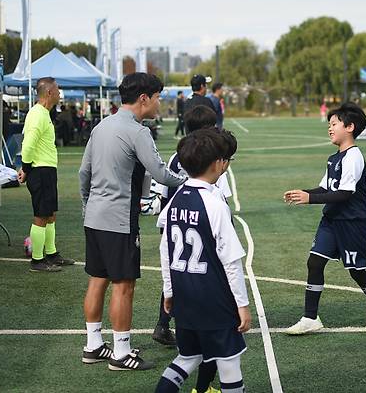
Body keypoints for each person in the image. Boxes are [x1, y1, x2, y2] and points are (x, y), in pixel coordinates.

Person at [79, 72, 187, 371]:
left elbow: (83, 175)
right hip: (119, 220)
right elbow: (162, 174)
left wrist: (88, 208)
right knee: (123, 285)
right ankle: (121, 352)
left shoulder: (101, 126)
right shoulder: (139, 132)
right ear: (144, 98)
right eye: (157, 97)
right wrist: (192, 183)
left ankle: (93, 346)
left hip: (95, 217)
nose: (158, 102)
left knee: (97, 279)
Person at [155, 128, 251, 393]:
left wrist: (170, 289)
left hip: (185, 295)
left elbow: (165, 248)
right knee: (229, 362)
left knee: (187, 357)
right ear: (218, 164)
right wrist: (242, 305)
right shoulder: (214, 203)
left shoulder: (175, 201)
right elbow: (231, 261)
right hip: (214, 299)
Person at [283, 102, 366, 335]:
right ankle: (310, 317)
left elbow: (345, 193)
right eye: (329, 124)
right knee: (315, 262)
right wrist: (303, 192)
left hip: (352, 222)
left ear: (349, 127)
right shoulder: (334, 158)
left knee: (356, 270)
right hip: (331, 220)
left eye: (334, 124)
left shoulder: (354, 156)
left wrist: (309, 198)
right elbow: (324, 187)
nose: (329, 129)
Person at [18, 77, 74, 272]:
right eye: (58, 90)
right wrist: (25, 168)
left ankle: (51, 254)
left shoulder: (43, 113)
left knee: (50, 215)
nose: (60, 93)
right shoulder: (37, 114)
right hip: (39, 171)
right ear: (49, 92)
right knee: (41, 216)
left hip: (47, 170)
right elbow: (28, 145)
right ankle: (37, 260)